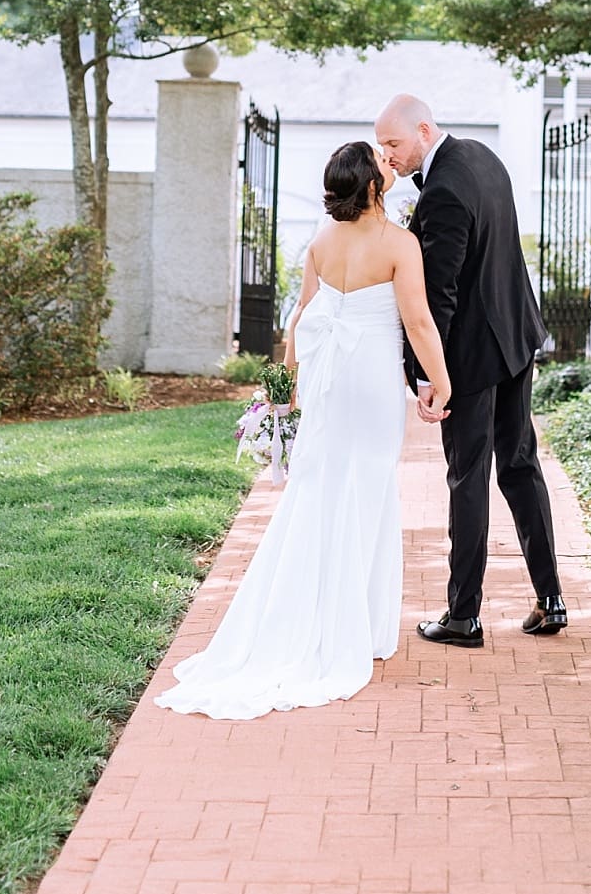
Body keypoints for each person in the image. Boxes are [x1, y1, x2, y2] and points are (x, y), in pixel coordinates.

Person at [155, 140, 451, 720]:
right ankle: (351, 629)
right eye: (384, 166)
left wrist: (283, 388)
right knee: (365, 492)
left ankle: (319, 619)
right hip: (370, 385)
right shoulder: (398, 243)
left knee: (319, 491)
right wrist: (440, 381)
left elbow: (299, 319)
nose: (392, 170)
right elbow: (417, 320)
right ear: (371, 187)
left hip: (326, 384)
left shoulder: (320, 240)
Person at [374, 93, 566, 647]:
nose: (388, 157)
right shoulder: (482, 156)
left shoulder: (443, 193)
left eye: (394, 144)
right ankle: (551, 599)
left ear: (424, 130)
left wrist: (427, 375)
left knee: (468, 476)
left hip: (472, 359)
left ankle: (463, 615)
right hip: (515, 339)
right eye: (382, 146)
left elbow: (439, 297)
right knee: (521, 466)